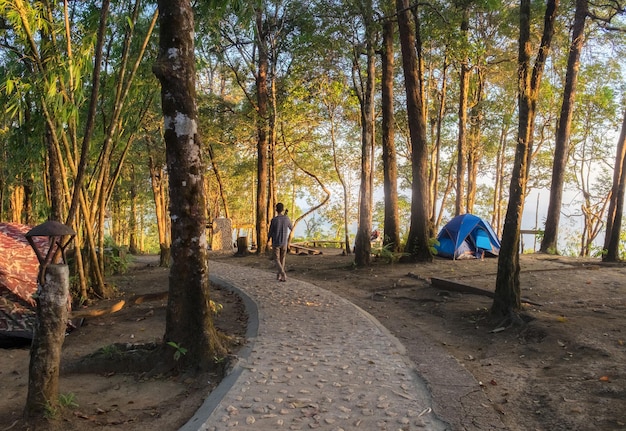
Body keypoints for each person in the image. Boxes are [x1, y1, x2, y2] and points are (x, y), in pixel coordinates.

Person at [268, 202, 292, 282]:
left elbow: (270, 231)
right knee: (282, 259)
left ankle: (282, 273)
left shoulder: (274, 220)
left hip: (276, 242)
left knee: (276, 259)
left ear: (276, 209)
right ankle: (279, 276)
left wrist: (268, 240)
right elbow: (291, 227)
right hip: (284, 242)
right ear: (282, 209)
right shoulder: (287, 219)